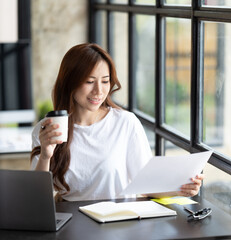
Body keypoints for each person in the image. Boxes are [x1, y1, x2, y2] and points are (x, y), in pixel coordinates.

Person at [30, 43, 204, 201]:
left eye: (105, 81)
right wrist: (45, 155)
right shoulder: (48, 129)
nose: (99, 90)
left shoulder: (125, 123)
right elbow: (37, 197)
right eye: (89, 81)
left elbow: (145, 184)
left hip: (119, 220)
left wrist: (181, 188)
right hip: (73, 223)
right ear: (69, 83)